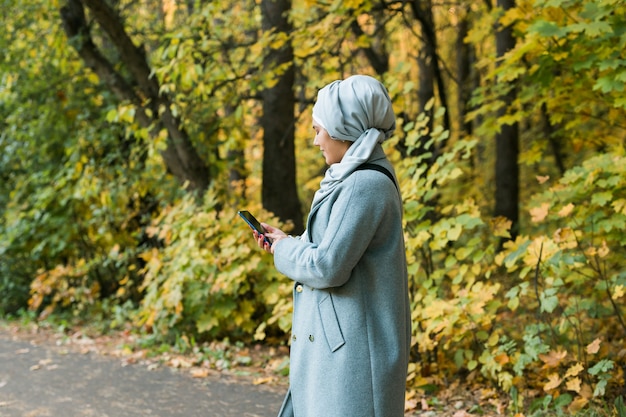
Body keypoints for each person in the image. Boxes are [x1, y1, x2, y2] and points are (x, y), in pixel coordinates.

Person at [252, 75, 411, 417]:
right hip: (339, 352)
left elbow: (327, 267)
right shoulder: (352, 177)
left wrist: (283, 251)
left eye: (318, 130)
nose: (315, 140)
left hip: (352, 357)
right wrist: (286, 242)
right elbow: (331, 251)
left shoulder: (363, 184)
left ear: (344, 128)